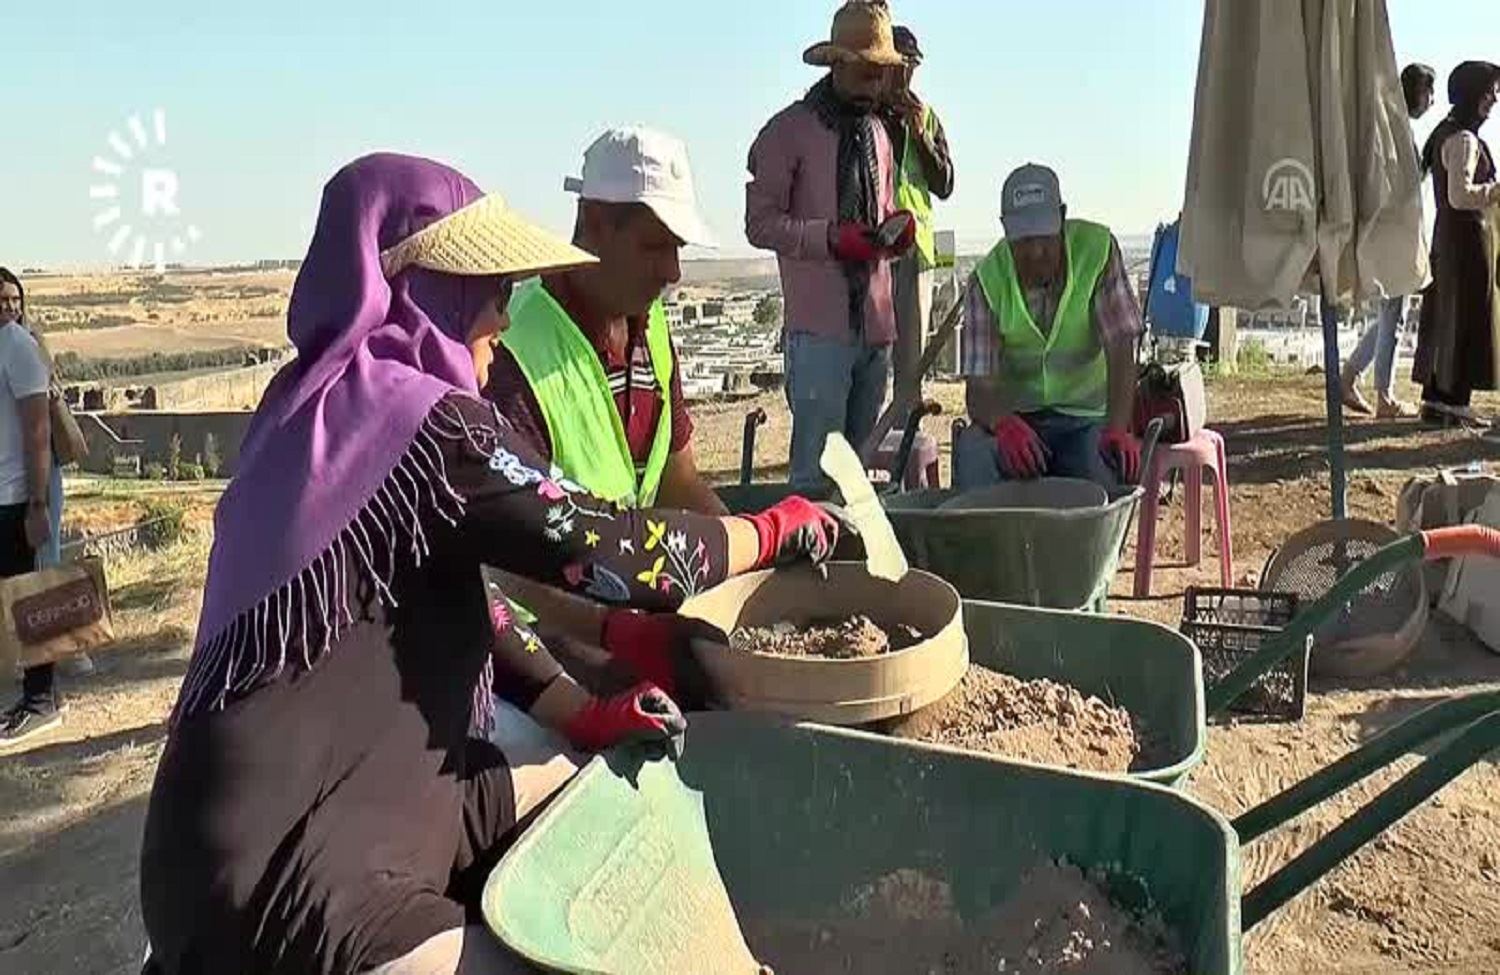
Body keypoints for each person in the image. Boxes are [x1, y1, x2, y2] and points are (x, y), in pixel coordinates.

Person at [138, 154, 840, 975]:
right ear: (428, 293)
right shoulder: (428, 427)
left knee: (582, 796)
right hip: (290, 880)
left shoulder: (314, 412)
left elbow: (470, 599)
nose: (504, 319)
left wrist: (580, 711)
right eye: (491, 292)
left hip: (293, 822)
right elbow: (622, 556)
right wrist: (773, 529)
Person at [486, 127, 725, 515]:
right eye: (654, 246)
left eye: (677, 248)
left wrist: (756, 541)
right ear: (593, 222)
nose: (673, 271)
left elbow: (677, 484)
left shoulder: (651, 325)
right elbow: (523, 529)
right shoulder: (513, 346)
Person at [746, 0, 916, 488]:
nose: (875, 85)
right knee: (815, 476)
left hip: (876, 330)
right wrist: (829, 238)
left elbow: (884, 210)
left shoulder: (880, 134)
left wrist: (895, 233)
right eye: (866, 72)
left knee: (858, 475)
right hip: (820, 332)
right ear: (837, 64)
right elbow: (760, 224)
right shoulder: (787, 132)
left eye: (881, 74)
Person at [955, 164, 1144, 491]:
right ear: (1005, 230)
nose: (1035, 252)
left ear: (1062, 218)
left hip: (1086, 420)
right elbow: (979, 387)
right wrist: (1003, 422)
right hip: (1019, 421)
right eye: (1023, 241)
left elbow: (1121, 348)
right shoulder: (986, 280)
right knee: (974, 455)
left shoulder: (1097, 252)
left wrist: (1117, 426)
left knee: (1101, 475)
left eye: (1044, 238)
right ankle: (986, 527)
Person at [1341, 63, 1438, 419]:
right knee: (1394, 313)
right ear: (1416, 91)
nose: (1431, 101)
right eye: (1429, 92)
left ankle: (1349, 376)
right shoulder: (1395, 128)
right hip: (1392, 232)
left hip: (1387, 230)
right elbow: (1400, 184)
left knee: (1390, 313)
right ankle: (1384, 396)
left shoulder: (1391, 125)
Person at [1414, 60, 1500, 429]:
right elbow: (1460, 195)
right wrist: (1495, 191)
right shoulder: (1464, 139)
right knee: (1465, 318)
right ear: (1473, 93)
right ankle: (1455, 403)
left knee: (1445, 318)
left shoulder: (1445, 133)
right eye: (1490, 91)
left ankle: (1436, 400)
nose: (1494, 99)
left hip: (1447, 238)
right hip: (1466, 240)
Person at [0, 267, 58, 749]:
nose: (7, 307)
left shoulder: (18, 346)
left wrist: (37, 504)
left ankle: (41, 702)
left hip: (16, 496)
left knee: (30, 600)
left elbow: (39, 432)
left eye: (10, 299)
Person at [883, 24, 955, 394]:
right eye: (898, 63)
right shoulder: (866, 114)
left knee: (910, 360)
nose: (904, 72)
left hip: (916, 250)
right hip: (875, 246)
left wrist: (921, 135)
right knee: (873, 355)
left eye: (911, 65)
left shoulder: (925, 116)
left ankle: (907, 421)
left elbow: (945, 184)